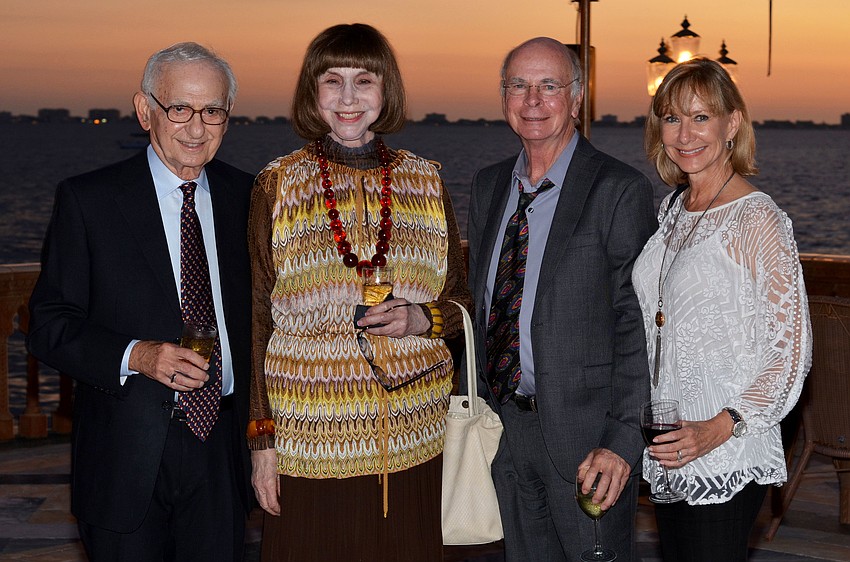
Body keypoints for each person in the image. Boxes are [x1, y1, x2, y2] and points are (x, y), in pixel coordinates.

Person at [247, 23, 471, 562]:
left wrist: (424, 319)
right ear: (312, 92)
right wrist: (261, 443)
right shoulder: (276, 185)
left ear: (385, 89)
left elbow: (464, 304)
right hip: (309, 436)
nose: (348, 98)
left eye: (364, 80)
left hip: (417, 435)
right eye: (333, 81)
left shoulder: (426, 180)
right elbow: (257, 318)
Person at [27, 42, 254, 561]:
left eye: (213, 111)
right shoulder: (88, 200)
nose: (197, 128)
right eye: (180, 108)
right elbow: (48, 325)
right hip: (123, 455)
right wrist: (137, 355)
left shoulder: (251, 198)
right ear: (144, 109)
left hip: (221, 453)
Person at [466, 37, 657, 561]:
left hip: (587, 441)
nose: (533, 100)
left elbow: (639, 326)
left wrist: (622, 442)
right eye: (519, 86)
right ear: (503, 96)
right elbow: (479, 305)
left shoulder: (619, 190)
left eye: (549, 86)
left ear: (576, 99)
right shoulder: (488, 188)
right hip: (503, 430)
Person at [634, 57, 812, 561]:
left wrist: (721, 424)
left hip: (724, 445)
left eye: (700, 117)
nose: (684, 133)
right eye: (671, 118)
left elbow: (790, 352)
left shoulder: (759, 220)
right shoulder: (673, 209)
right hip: (670, 442)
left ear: (732, 123)